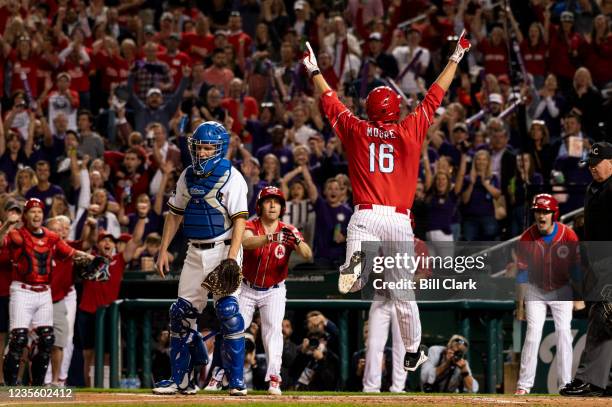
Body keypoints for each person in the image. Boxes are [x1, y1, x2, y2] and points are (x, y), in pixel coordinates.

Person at [301, 31, 472, 372]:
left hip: (364, 216)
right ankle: (412, 350)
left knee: (356, 275)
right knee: (402, 294)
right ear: (395, 108)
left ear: (369, 109)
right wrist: (456, 57)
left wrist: (314, 70)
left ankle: (357, 268)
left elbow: (331, 100)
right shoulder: (410, 129)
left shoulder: (357, 129)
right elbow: (436, 94)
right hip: (398, 220)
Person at [153, 121, 249, 396]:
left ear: (219, 149)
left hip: (223, 248)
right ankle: (181, 380)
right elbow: (174, 214)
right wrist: (163, 250)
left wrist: (232, 259)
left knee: (228, 313)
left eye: (209, 147)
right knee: (180, 314)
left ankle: (236, 381)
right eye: (199, 147)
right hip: (194, 251)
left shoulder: (233, 177)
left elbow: (240, 220)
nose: (203, 153)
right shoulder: (186, 175)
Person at [0, 198, 97, 386]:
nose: (36, 214)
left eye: (39, 211)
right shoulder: (16, 235)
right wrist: (7, 226)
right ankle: (10, 385)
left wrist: (91, 258)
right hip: (23, 290)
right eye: (32, 211)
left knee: (47, 340)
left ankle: (38, 386)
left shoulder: (51, 237)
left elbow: (69, 251)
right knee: (18, 339)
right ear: (26, 215)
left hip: (45, 291)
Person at [239, 186, 313, 395]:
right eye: (268, 201)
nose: (273, 205)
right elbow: (246, 241)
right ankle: (223, 375)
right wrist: (271, 238)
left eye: (277, 201)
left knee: (273, 331)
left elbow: (307, 254)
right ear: (260, 206)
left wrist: (296, 240)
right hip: (247, 287)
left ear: (282, 207)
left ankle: (274, 379)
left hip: (274, 289)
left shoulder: (287, 228)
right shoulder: (251, 224)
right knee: (235, 329)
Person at [514, 194, 581, 395]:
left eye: (545, 212)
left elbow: (577, 269)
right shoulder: (527, 237)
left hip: (562, 289)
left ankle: (565, 384)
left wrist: (579, 297)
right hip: (536, 289)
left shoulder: (568, 236)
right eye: (538, 211)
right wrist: (520, 306)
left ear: (554, 214)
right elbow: (522, 275)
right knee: (533, 335)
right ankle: (523, 386)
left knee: (563, 334)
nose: (541, 215)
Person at [561, 142, 612, 397]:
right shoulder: (595, 187)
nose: (592, 167)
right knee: (602, 319)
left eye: (597, 162)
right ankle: (599, 380)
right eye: (590, 164)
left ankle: (591, 379)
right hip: (597, 261)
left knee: (604, 314)